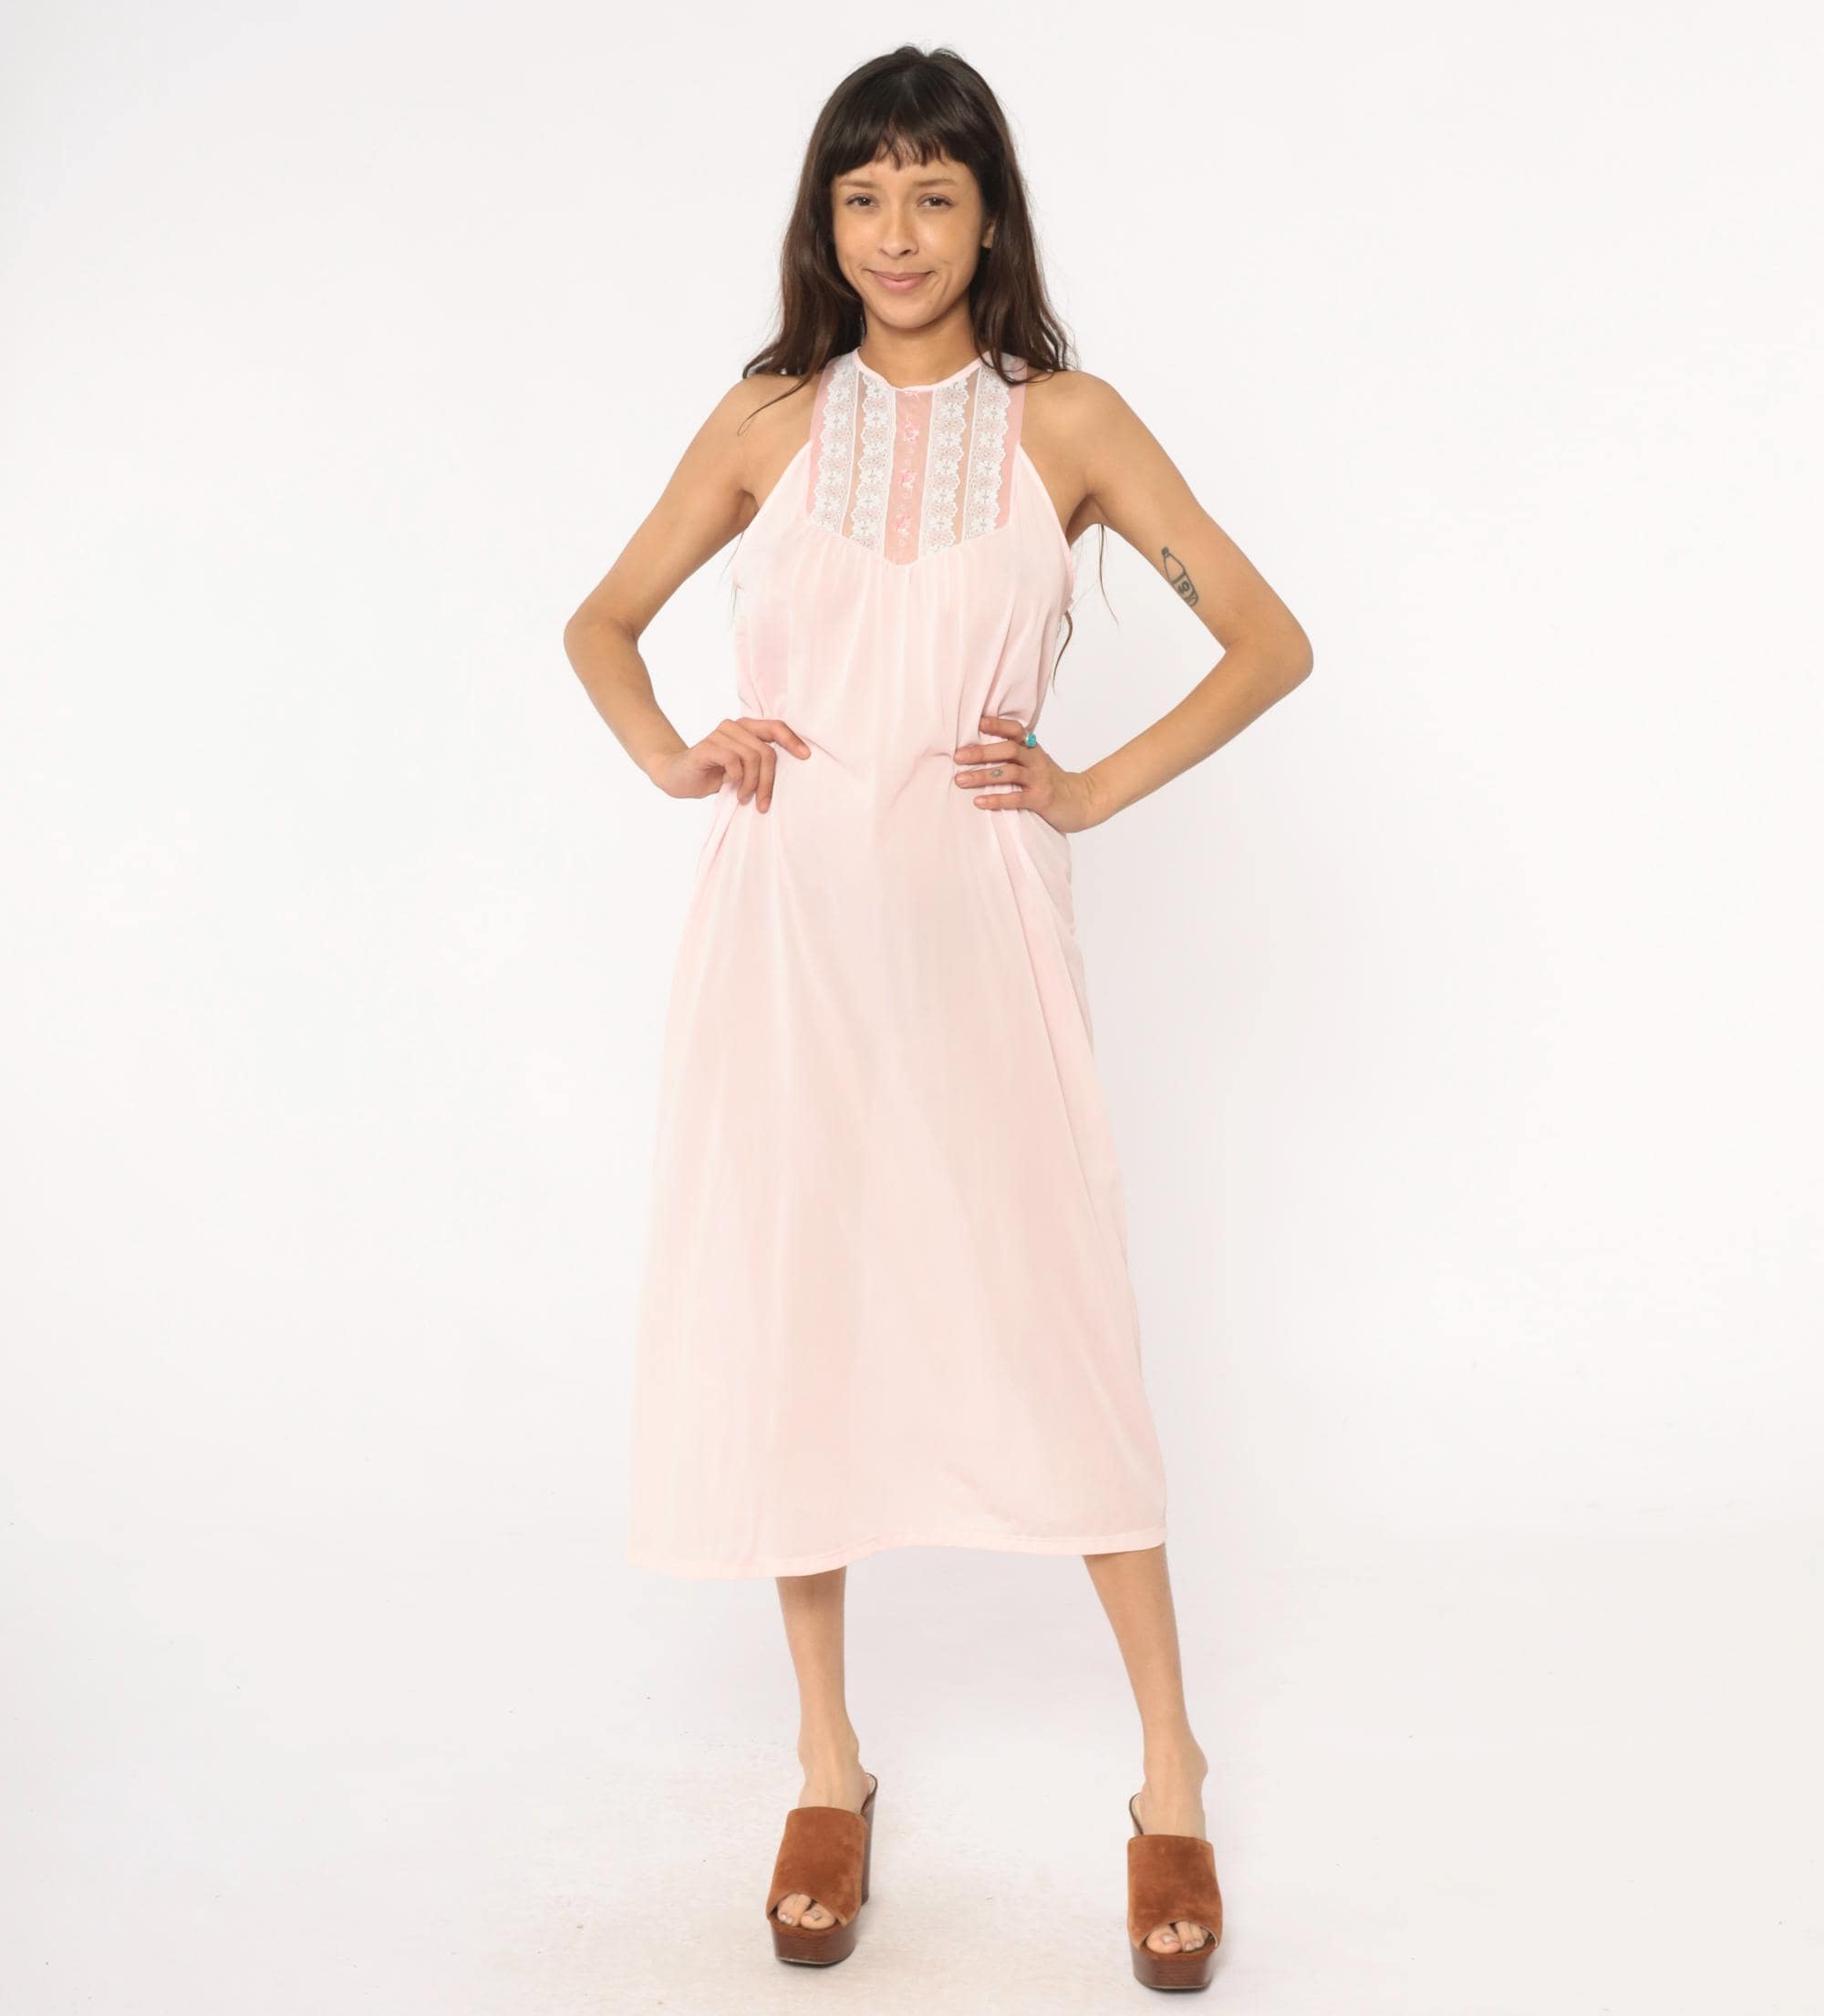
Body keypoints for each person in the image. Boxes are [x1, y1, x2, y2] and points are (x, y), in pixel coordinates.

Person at [562, 44, 1312, 1991]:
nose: (895, 234)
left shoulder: (1067, 422)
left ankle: (1169, 1770)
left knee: (1059, 1321)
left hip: (981, 932)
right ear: (823, 219)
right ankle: (827, 1761)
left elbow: (1268, 639)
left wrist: (1086, 785)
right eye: (862, 195)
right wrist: (671, 750)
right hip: (785, 936)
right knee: (795, 1310)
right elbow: (601, 621)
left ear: (991, 217)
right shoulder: (767, 419)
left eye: (933, 195)